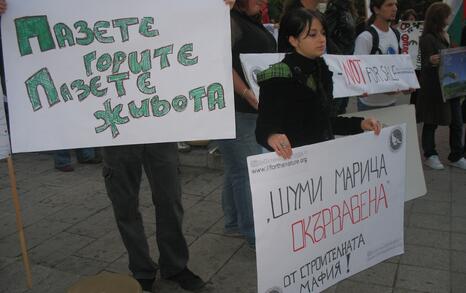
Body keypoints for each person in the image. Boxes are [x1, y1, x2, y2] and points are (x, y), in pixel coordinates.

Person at [102, 2, 235, 292]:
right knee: (125, 205)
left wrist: (214, 7)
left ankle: (174, 267)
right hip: (115, 124)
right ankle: (142, 271)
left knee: (170, 199)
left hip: (159, 120)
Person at [256, 8, 381, 160]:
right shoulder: (277, 77)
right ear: (293, 40)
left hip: (323, 160)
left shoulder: (323, 70)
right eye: (312, 35)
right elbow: (263, 129)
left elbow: (325, 121)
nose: (322, 39)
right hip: (294, 165)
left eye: (323, 33)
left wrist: (360, 124)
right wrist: (272, 136)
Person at [216, 0, 276, 249]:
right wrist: (245, 93)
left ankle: (232, 222)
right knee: (246, 172)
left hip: (248, 106)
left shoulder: (249, 21)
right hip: (236, 108)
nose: (265, 1)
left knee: (236, 168)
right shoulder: (226, 20)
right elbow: (218, 61)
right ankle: (253, 234)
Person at [417, 2, 466, 170]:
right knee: (432, 121)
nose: (449, 17)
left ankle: (456, 155)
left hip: (451, 85)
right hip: (434, 88)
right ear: (439, 17)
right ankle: (430, 154)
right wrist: (431, 61)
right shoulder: (427, 38)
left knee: (457, 122)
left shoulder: (445, 34)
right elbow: (424, 62)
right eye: (447, 15)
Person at [354, 0, 403, 111]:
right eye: (389, 5)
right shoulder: (365, 37)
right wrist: (383, 89)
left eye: (396, 4)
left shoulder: (396, 34)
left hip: (391, 102)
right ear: (376, 9)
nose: (395, 8)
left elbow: (397, 67)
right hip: (370, 105)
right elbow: (357, 76)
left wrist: (405, 85)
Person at [325, 0, 358, 114]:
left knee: (343, 104)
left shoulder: (348, 9)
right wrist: (338, 56)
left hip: (346, 62)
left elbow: (351, 37)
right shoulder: (334, 10)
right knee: (336, 105)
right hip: (337, 64)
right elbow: (326, 35)